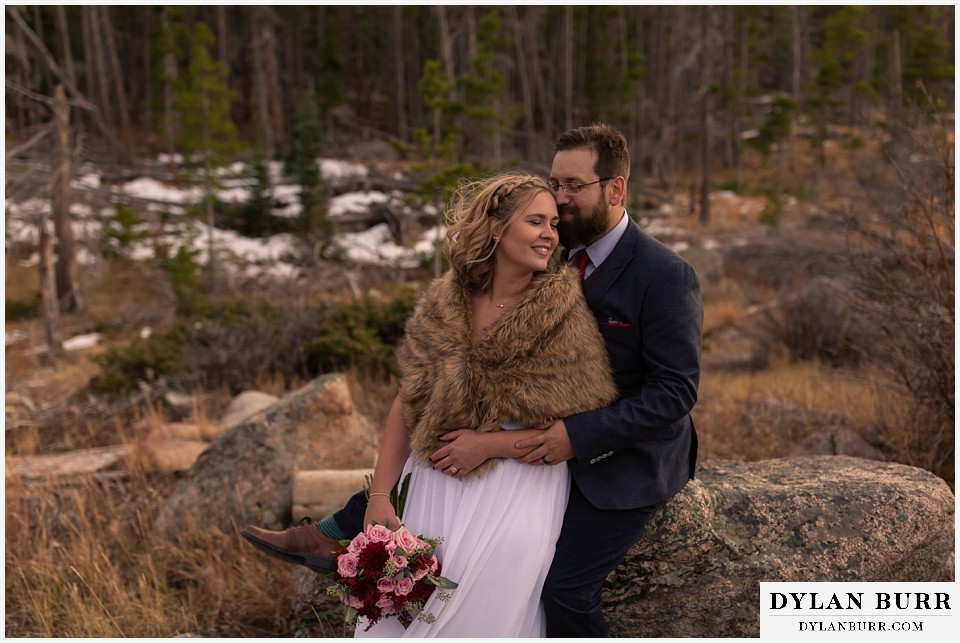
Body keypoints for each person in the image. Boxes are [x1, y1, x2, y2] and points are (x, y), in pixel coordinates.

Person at [243, 124, 703, 637]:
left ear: (615, 188)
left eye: (574, 186)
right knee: (433, 438)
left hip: (620, 455)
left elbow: (676, 391)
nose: (561, 199)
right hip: (514, 428)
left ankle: (341, 533)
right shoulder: (554, 249)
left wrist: (566, 437)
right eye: (555, 185)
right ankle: (337, 531)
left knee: (564, 591)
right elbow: (437, 376)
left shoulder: (664, 273)